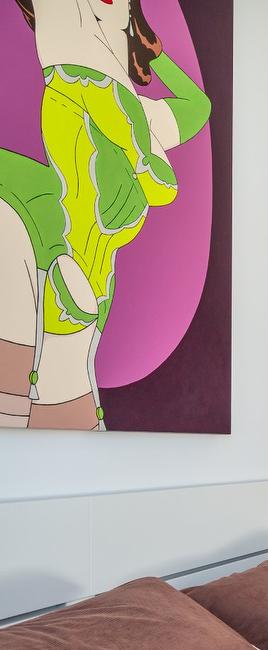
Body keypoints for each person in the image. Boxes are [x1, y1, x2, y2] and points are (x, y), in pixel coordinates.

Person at [0, 0, 210, 430]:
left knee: (64, 378)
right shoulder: (73, 83)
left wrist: (155, 50)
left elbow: (198, 106)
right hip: (49, 244)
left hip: (86, 284)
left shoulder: (144, 116)